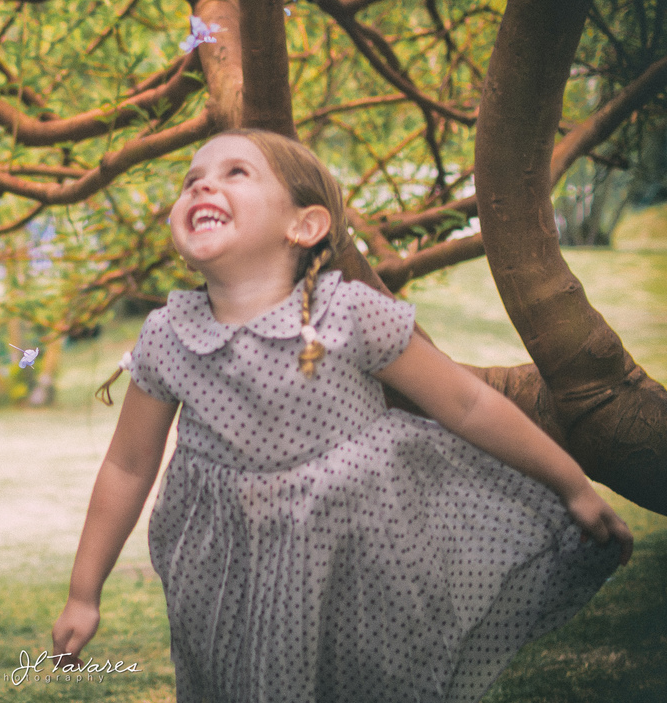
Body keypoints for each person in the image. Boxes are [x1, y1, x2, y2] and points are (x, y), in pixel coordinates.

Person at [53, 130, 633, 703]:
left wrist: (570, 483)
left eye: (236, 173)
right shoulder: (168, 337)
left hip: (361, 558)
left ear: (304, 226)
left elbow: (467, 403)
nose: (204, 185)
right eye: (192, 181)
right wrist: (84, 592)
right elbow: (128, 467)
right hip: (232, 575)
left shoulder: (349, 314)